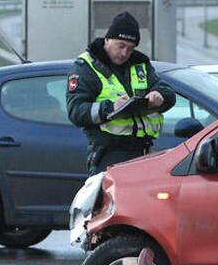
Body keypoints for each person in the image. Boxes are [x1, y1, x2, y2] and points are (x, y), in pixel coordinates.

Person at [66, 11, 177, 175]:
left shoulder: (140, 65)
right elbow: (76, 111)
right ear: (107, 39)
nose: (125, 53)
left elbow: (168, 93)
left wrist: (159, 96)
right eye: (121, 46)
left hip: (143, 150)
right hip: (109, 153)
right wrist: (111, 108)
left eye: (130, 48)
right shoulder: (86, 67)